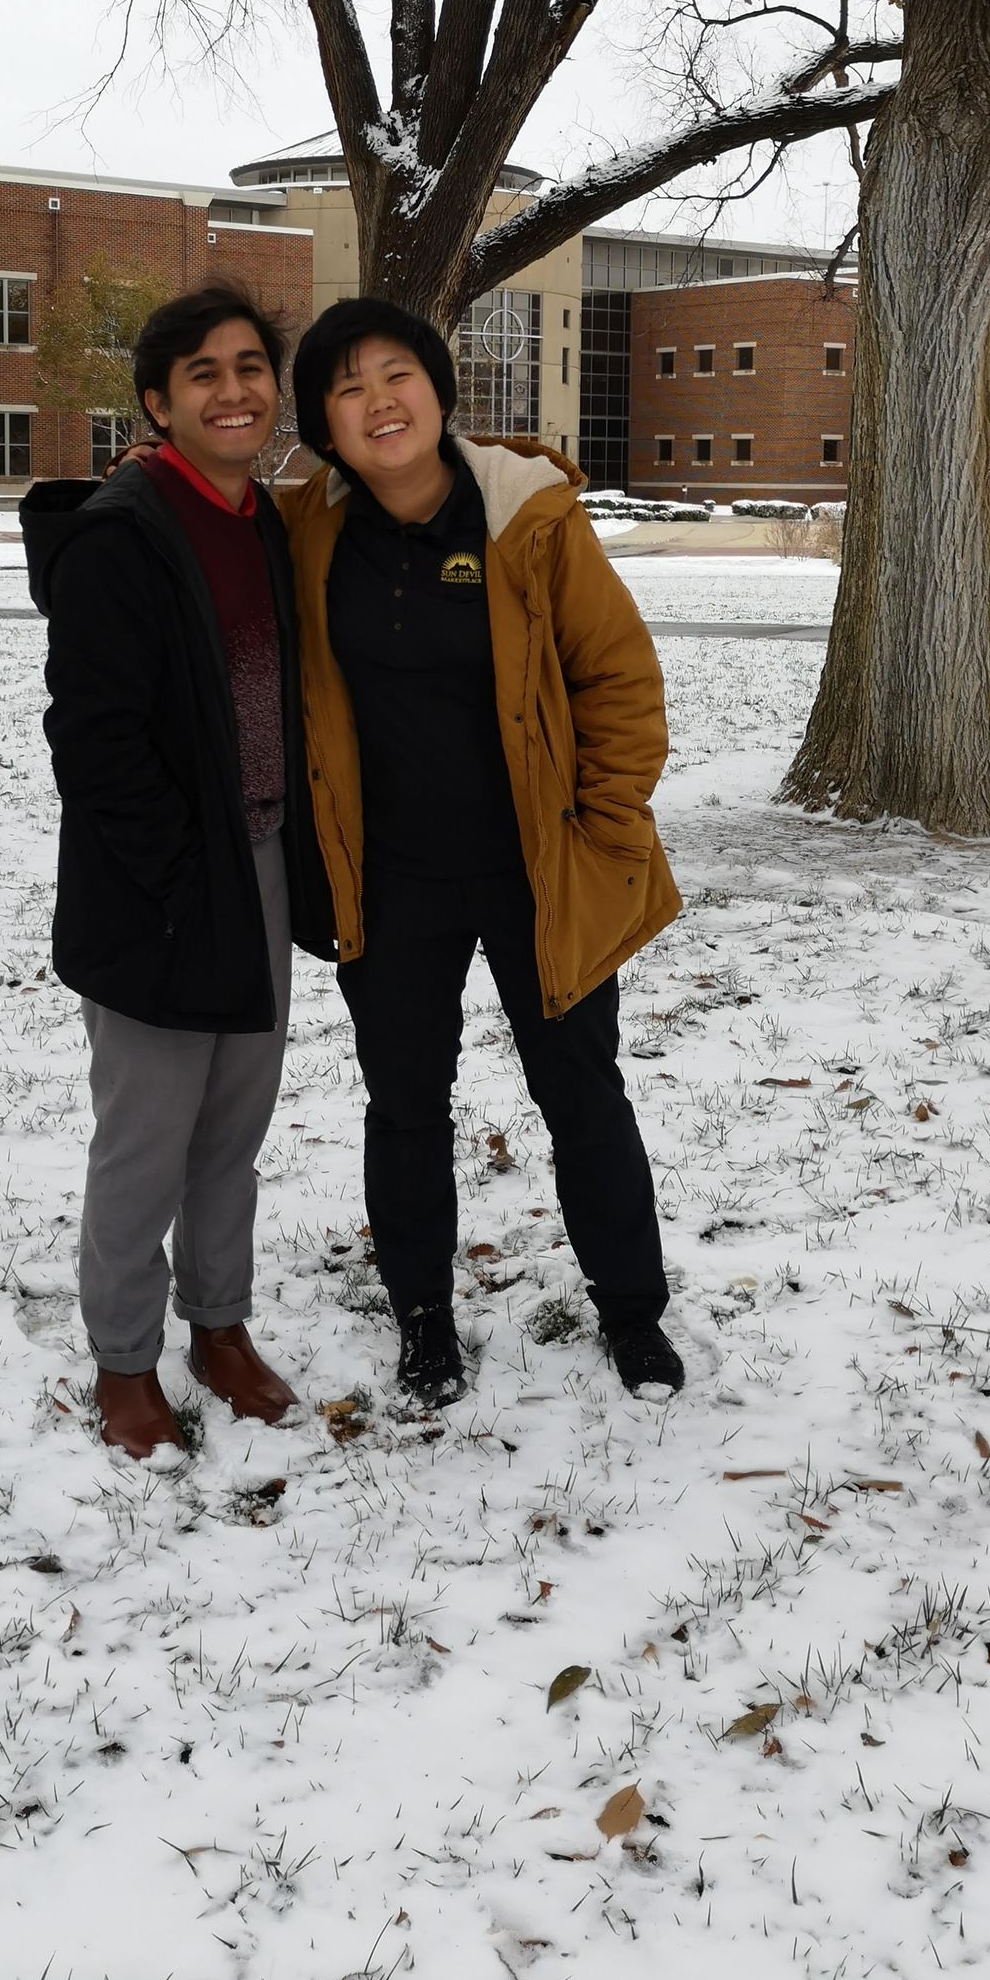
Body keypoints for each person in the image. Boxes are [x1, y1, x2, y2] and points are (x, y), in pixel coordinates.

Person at [277, 297, 685, 1407]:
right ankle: (422, 1321)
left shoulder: (528, 515)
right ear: (322, 424)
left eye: (395, 373)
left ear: (438, 389)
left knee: (580, 1094)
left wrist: (604, 827)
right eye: (348, 387)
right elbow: (196, 514)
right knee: (403, 1103)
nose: (378, 402)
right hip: (390, 879)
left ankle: (632, 1314)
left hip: (535, 869)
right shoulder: (305, 525)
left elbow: (618, 680)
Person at [21, 285, 332, 1459]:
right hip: (156, 893)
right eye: (203, 372)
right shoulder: (122, 534)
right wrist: (167, 879)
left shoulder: (262, 520)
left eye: (250, 366)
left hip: (257, 870)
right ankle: (122, 1358)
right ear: (157, 402)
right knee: (145, 1138)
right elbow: (92, 742)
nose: (233, 388)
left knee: (231, 1131)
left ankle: (219, 1325)